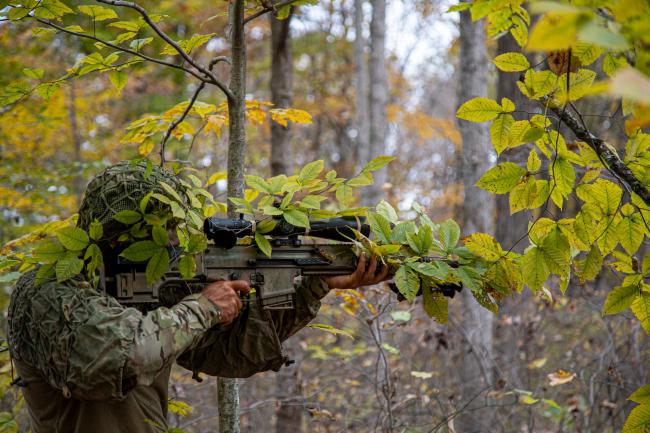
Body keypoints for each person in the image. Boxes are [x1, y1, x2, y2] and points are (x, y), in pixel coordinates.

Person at [7, 161, 389, 433]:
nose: (167, 250)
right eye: (154, 239)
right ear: (116, 238)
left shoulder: (148, 292)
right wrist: (203, 306)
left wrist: (315, 283)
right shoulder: (46, 291)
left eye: (171, 236)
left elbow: (232, 355)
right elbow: (125, 355)